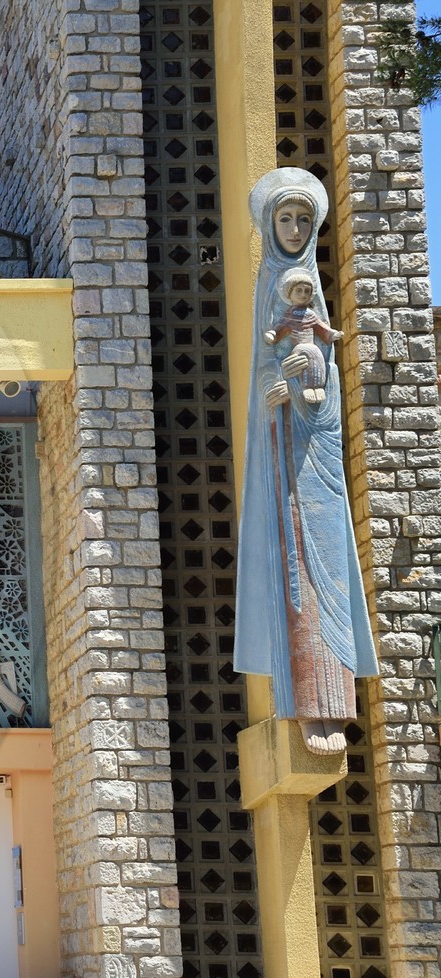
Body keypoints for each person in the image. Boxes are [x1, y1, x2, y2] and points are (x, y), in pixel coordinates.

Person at [235, 168, 378, 754]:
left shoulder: (309, 288)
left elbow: (325, 362)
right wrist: (274, 397)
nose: (293, 228)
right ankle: (303, 701)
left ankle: (335, 701)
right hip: (279, 448)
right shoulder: (269, 290)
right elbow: (266, 370)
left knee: (328, 563)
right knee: (292, 564)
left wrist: (312, 387)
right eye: (284, 219)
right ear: (269, 225)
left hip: (314, 448)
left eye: (302, 219)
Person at [264, 267, 342, 405]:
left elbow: (321, 327)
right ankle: (306, 387)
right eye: (298, 291)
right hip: (299, 348)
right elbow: (281, 328)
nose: (303, 294)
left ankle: (317, 387)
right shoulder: (289, 314)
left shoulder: (310, 314)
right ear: (289, 293)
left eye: (307, 291)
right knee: (301, 362)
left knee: (317, 360)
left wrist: (332, 334)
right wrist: (272, 335)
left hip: (312, 346)